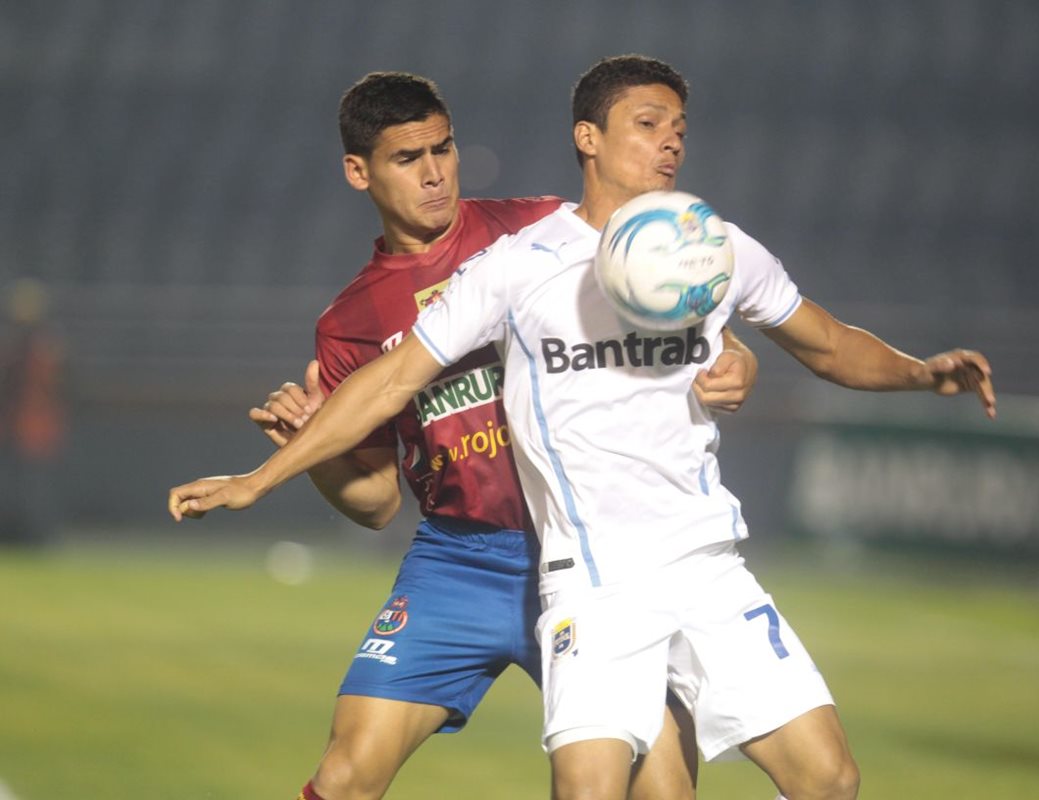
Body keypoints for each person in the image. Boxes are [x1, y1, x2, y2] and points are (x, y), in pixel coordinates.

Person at [169, 55, 996, 800]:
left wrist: (848, 364)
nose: (434, 174)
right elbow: (386, 438)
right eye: (648, 126)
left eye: (443, 150)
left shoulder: (627, 240)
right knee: (369, 776)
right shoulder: (470, 282)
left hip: (658, 552)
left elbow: (766, 317)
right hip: (512, 563)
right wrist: (272, 473)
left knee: (759, 785)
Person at [246, 71, 758, 800]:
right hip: (460, 563)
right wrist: (312, 452)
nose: (435, 174)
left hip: (591, 553)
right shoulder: (351, 323)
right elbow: (377, 504)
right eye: (407, 158)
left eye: (443, 149)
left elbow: (694, 309)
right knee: (344, 776)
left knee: (663, 790)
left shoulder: (540, 230)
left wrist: (738, 360)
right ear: (358, 171)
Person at [0, 278, 67, 547]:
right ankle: (17, 532)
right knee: (17, 485)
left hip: (34, 428)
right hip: (19, 427)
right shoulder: (40, 346)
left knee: (34, 486)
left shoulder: (44, 346)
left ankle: (34, 534)